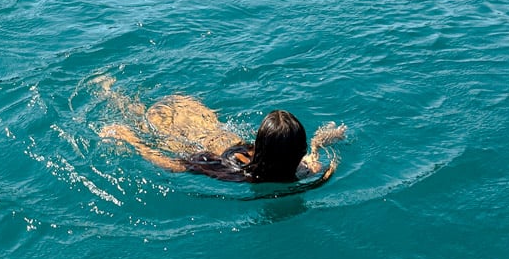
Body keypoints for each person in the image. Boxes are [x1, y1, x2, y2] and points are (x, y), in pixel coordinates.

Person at [96, 79, 345, 185]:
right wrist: (129, 139)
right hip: (195, 140)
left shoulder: (301, 169)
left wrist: (321, 141)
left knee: (142, 117)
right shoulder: (235, 173)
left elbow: (173, 165)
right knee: (142, 119)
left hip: (215, 134)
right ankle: (109, 93)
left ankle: (111, 93)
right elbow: (173, 163)